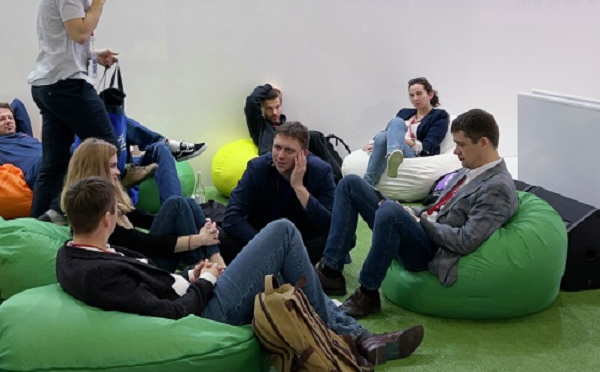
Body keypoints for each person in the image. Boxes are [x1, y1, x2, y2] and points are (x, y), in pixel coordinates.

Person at [56, 176, 425, 366]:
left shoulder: (82, 251)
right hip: (205, 313)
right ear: (107, 219)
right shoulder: (96, 272)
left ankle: (359, 337)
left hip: (194, 291)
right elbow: (169, 312)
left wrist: (189, 275)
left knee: (288, 266)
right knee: (282, 233)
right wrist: (205, 282)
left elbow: (153, 281)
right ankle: (350, 337)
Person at [316, 109, 519, 319]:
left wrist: (420, 221)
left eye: (461, 145)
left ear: (483, 143)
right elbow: (438, 208)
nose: (456, 152)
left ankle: (367, 293)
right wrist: (412, 212)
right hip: (423, 228)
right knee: (350, 184)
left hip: (432, 250)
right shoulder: (470, 169)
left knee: (389, 211)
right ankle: (331, 272)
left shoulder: (498, 187)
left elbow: (465, 240)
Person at [0, 99, 208, 219]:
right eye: (1, 120)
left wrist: (3, 114)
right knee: (94, 123)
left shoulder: (24, 134)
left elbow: (18, 105)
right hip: (43, 168)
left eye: (10, 118)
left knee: (158, 149)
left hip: (66, 157)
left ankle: (173, 212)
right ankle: (124, 175)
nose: (9, 121)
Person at [26, 0, 122, 219]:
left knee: (54, 165)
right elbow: (80, 32)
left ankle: (36, 227)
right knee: (107, 149)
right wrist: (99, 0)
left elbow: (65, 41)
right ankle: (62, 211)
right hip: (66, 85)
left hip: (50, 84)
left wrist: (94, 55)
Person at [61, 138, 223, 272]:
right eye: (112, 166)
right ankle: (200, 265)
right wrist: (199, 239)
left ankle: (214, 261)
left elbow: (143, 219)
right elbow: (145, 244)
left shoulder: (112, 201)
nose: (118, 172)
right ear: (97, 169)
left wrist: (198, 225)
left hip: (144, 255)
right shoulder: (94, 212)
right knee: (177, 203)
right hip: (142, 267)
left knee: (188, 203)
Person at [222, 121, 334, 264]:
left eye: (289, 150)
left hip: (301, 241)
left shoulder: (321, 171)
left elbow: (330, 225)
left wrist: (299, 187)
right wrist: (266, 245)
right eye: (277, 147)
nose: (280, 156)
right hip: (262, 237)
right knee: (218, 237)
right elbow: (231, 217)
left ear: (304, 154)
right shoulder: (257, 167)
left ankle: (282, 263)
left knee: (342, 237)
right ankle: (285, 264)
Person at [359, 77, 450, 185]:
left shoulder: (439, 116)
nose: (415, 98)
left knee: (389, 132)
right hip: (397, 147)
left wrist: (401, 139)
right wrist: (373, 142)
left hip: (416, 154)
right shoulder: (404, 112)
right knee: (392, 126)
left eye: (419, 94)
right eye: (411, 95)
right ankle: (392, 156)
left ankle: (369, 181)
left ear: (430, 94)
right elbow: (390, 131)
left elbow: (428, 146)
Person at [245, 84, 285, 155]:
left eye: (277, 107)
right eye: (269, 108)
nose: (274, 113)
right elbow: (252, 101)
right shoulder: (260, 127)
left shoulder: (287, 126)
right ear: (263, 110)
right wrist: (269, 87)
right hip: (270, 160)